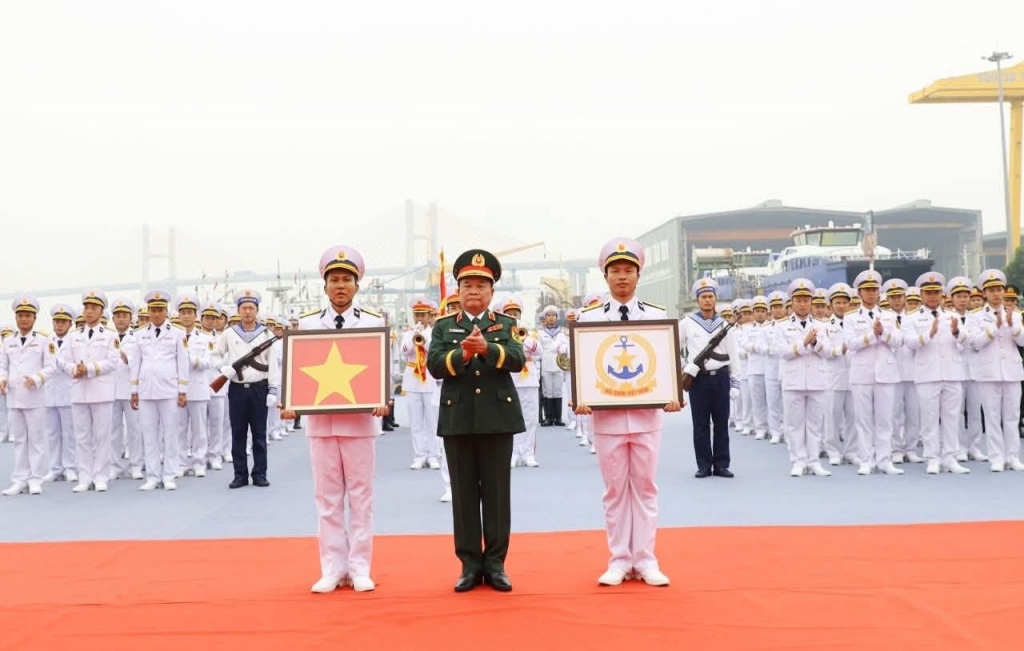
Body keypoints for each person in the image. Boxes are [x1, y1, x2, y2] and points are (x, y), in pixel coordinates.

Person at [278, 245, 389, 594]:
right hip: (321, 424)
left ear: (357, 285)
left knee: (361, 498)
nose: (340, 286)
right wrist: (290, 400)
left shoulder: (373, 322)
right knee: (327, 500)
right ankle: (331, 566)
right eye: (334, 280)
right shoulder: (308, 324)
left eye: (347, 280)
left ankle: (359, 567)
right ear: (324, 286)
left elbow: (384, 367)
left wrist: (384, 398)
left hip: (360, 423)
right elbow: (292, 369)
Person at [574, 237, 681, 586]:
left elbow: (667, 363)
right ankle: (619, 560)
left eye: (628, 270)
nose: (622, 277)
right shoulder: (588, 319)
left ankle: (646, 560)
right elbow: (581, 366)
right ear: (605, 276)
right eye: (615, 271)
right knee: (615, 491)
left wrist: (673, 394)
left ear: (638, 275)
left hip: (647, 417)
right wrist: (580, 396)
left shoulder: (657, 317)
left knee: (646, 488)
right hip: (606, 420)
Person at [427, 249, 525, 593]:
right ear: (458, 290)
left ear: (491, 292)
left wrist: (487, 349)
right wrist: (464, 354)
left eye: (481, 285)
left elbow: (516, 359)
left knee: (497, 495)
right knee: (464, 494)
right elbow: (436, 366)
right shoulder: (443, 327)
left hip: (498, 418)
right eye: (467, 285)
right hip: (458, 419)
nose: (474, 291)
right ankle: (469, 564)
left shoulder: (507, 325)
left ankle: (496, 563)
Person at [902, 272, 970, 475]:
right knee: (929, 418)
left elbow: (965, 341)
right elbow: (910, 343)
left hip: (952, 373)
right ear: (921, 294)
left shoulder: (953, 316)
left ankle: (950, 457)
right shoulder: (912, 318)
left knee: (952, 418)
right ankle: (932, 457)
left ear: (942, 294)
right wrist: (928, 334)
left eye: (936, 292)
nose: (932, 296)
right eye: (928, 293)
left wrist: (957, 332)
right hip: (927, 374)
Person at [58, 289, 121, 493]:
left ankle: (101, 476)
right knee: (82, 436)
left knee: (102, 436)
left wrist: (90, 368)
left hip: (101, 391)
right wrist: (74, 369)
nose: (89, 311)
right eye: (86, 307)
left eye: (93, 308)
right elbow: (62, 359)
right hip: (79, 390)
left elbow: (113, 362)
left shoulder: (110, 336)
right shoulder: (73, 336)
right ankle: (84, 476)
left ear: (101, 311)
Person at [213, 289, 276, 489]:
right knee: (238, 433)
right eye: (244, 308)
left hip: (259, 388)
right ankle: (240, 475)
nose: (248, 312)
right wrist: (224, 368)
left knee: (259, 434)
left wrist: (273, 389)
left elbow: (273, 364)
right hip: (237, 389)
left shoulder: (266, 333)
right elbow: (214, 355)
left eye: (251, 308)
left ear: (257, 310)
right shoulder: (229, 334)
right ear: (238, 310)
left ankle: (260, 473)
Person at [130, 290, 190, 491]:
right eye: (153, 310)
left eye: (160, 310)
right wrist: (134, 390)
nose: (156, 314)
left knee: (170, 433)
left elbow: (183, 363)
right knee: (149, 433)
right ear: (149, 311)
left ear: (166, 311)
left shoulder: (177, 333)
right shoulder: (139, 335)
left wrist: (183, 390)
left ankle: (170, 474)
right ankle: (153, 476)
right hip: (146, 390)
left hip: (169, 389)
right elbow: (135, 364)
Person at [845, 270, 903, 476]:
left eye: (874, 290)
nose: (871, 293)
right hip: (862, 373)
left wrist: (884, 333)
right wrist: (872, 335)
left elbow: (899, 341)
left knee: (885, 419)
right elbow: (850, 344)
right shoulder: (851, 317)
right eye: (867, 290)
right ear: (859, 293)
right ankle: (866, 459)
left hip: (886, 372)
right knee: (863, 420)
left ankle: (884, 460)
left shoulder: (889, 315)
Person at [680, 278, 739, 478]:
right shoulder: (687, 323)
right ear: (697, 300)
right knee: (701, 424)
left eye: (710, 296)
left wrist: (735, 383)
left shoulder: (724, 325)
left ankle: (721, 464)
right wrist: (685, 367)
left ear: (716, 299)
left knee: (722, 422)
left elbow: (733, 355)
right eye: (703, 297)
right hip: (698, 380)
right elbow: (674, 348)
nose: (707, 300)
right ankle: (704, 465)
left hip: (720, 378)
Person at [966, 269, 1024, 472]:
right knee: (992, 417)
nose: (996, 294)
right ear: (984, 293)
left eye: (999, 289)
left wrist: (1012, 326)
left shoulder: (1015, 314)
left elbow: (1022, 341)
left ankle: (1013, 456)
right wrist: (995, 328)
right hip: (988, 372)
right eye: (991, 290)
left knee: (1012, 417)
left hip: (1011, 371)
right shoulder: (974, 316)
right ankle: (996, 457)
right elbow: (975, 343)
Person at [0, 295, 56, 496]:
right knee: (20, 439)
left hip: (34, 395)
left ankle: (35, 478)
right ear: (15, 318)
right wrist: (2, 378)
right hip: (14, 396)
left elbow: (51, 367)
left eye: (27, 316)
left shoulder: (43, 339)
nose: (23, 319)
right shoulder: (8, 340)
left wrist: (37, 378)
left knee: (36, 438)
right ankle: (20, 479)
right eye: (20, 315)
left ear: (34, 318)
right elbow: (3, 366)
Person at [777, 279, 831, 477]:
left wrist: (815, 343)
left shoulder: (821, 325)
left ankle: (814, 460)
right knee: (795, 424)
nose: (802, 304)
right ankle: (798, 460)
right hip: (794, 380)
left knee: (815, 424)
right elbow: (782, 352)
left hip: (816, 379)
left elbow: (828, 352)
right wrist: (803, 343)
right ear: (792, 302)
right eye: (798, 300)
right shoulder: (782, 326)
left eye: (806, 300)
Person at [400, 297, 441, 469]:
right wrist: (414, 336)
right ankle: (419, 455)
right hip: (412, 379)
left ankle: (433, 455)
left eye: (422, 315)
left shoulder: (434, 333)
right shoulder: (408, 334)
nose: (419, 319)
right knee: (416, 422)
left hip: (429, 378)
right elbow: (404, 351)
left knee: (432, 421)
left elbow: (434, 350)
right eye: (416, 315)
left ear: (429, 315)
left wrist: (423, 338)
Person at [501, 295, 541, 468]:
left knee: (530, 418)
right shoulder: (501, 335)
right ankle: (514, 453)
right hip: (510, 378)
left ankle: (529, 453)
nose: (513, 317)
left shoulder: (529, 333)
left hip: (529, 380)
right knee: (511, 419)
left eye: (515, 313)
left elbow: (538, 351)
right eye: (509, 314)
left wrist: (524, 338)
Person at [44, 304, 77, 482]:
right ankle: (54, 467)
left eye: (63, 322)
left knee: (69, 432)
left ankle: (70, 467)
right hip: (49, 392)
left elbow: (76, 365)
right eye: (57, 321)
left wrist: (61, 363)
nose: (59, 325)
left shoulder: (75, 341)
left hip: (68, 391)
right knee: (52, 433)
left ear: (70, 323)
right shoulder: (45, 341)